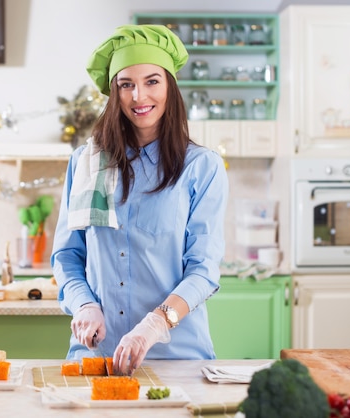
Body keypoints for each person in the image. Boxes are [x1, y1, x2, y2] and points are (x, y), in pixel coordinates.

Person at [50, 24, 229, 376]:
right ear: (114, 93)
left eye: (151, 81)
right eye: (126, 85)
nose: (139, 97)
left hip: (177, 357)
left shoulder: (201, 167)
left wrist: (156, 324)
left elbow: (204, 270)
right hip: (96, 355)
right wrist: (83, 304)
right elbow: (68, 255)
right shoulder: (85, 163)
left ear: (169, 87)